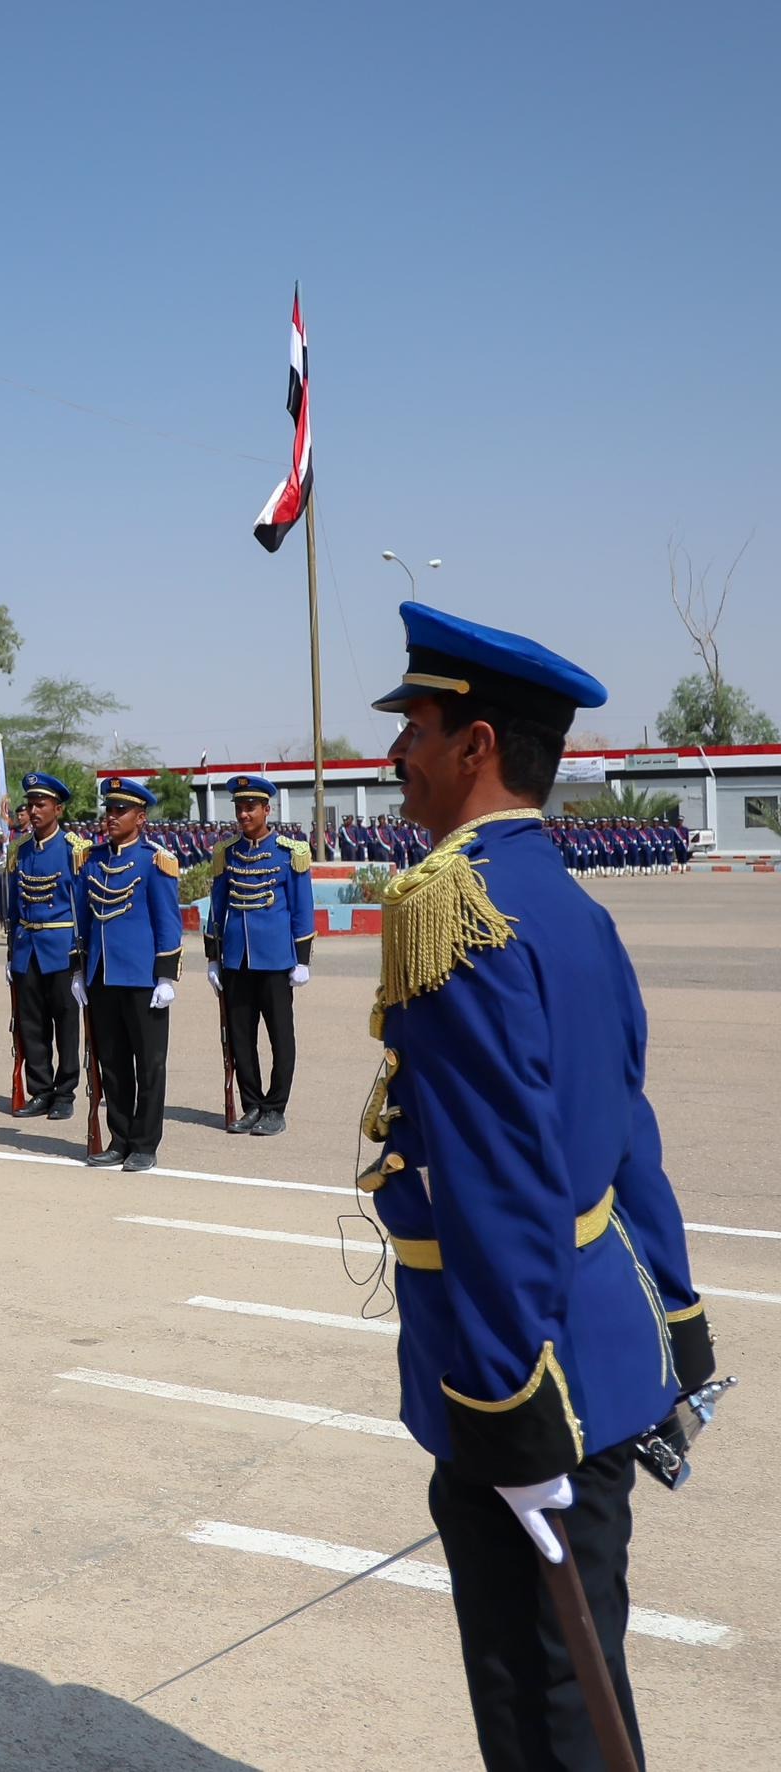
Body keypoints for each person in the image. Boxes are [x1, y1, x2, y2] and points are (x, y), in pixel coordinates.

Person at [364, 603, 719, 1771]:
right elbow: (628, 1132)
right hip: (602, 1349)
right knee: (582, 1679)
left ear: (475, 746)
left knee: (540, 1702)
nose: (395, 752)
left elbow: (497, 1181)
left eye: (415, 724)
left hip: (523, 1377)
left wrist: (508, 1408)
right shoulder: (566, 900)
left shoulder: (451, 910)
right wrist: (678, 1325)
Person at [73, 778, 182, 1173]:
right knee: (114, 1064)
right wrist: (79, 970)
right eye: (109, 809)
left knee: (149, 1065)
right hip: (102, 975)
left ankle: (144, 1144)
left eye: (121, 811)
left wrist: (166, 977)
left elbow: (168, 922)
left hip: (142, 978)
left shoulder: (154, 861)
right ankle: (118, 1137)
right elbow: (81, 920)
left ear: (140, 817)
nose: (111, 817)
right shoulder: (93, 860)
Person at [204, 773, 315, 1136]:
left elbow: (302, 909)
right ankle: (251, 1104)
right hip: (237, 959)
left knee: (281, 1038)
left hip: (276, 960)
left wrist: (302, 960)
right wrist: (213, 958)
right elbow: (216, 909)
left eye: (250, 807)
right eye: (239, 807)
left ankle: (275, 1107)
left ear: (267, 809)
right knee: (240, 1036)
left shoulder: (289, 853)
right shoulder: (228, 852)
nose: (244, 814)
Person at [0, 773, 88, 1123]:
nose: (33, 811)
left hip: (61, 948)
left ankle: (65, 1092)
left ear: (58, 809)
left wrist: (81, 958)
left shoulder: (73, 849)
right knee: (30, 1024)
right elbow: (15, 908)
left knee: (65, 1023)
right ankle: (41, 1089)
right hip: (26, 948)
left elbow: (81, 907)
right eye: (31, 804)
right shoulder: (20, 850)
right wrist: (11, 952)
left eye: (41, 804)